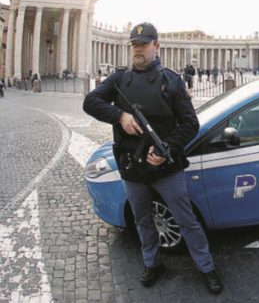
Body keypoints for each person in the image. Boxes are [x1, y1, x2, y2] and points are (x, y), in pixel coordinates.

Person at [83, 23, 223, 294]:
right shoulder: (119, 80)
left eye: (144, 44)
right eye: (134, 44)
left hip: (166, 168)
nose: (138, 48)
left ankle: (206, 267)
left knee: (186, 220)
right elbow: (90, 101)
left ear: (156, 47)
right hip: (132, 168)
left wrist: (165, 148)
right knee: (142, 220)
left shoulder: (171, 80)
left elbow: (190, 124)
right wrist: (120, 116)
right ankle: (152, 263)